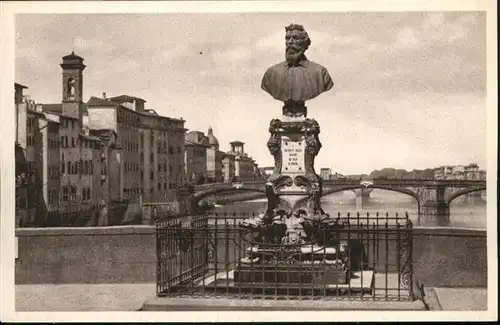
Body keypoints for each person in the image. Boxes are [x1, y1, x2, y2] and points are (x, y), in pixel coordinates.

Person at [261, 24, 334, 117]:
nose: (290, 42)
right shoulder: (271, 74)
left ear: (305, 43)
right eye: (287, 38)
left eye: (296, 38)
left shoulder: (320, 73)